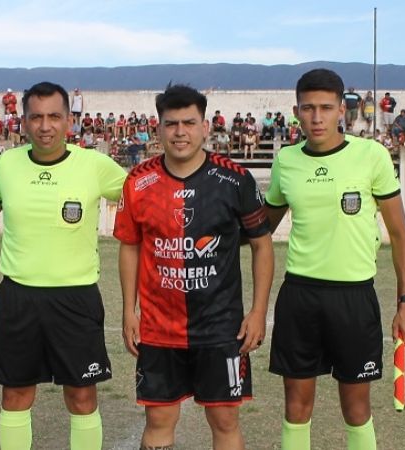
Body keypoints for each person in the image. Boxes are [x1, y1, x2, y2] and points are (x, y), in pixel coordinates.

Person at [264, 68, 405, 450]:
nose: (317, 117)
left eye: (326, 108)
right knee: (296, 407)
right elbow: (260, 228)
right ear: (296, 112)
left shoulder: (371, 155)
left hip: (354, 297)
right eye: (308, 108)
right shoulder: (287, 161)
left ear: (341, 111)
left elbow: (400, 234)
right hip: (300, 296)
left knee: (356, 408)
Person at [114, 84, 273, 450]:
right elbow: (129, 247)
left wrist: (258, 311)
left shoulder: (235, 179)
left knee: (225, 420)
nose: (180, 132)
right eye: (171, 124)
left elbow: (262, 246)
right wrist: (128, 310)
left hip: (221, 327)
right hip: (158, 327)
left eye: (189, 123)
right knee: (159, 419)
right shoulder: (138, 181)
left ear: (205, 127)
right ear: (158, 129)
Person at [0, 81, 126, 450]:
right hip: (18, 296)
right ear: (23, 122)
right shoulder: (6, 165)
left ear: (69, 121)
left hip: (76, 297)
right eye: (36, 117)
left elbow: (141, 195)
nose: (45, 126)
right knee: (15, 395)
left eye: (54, 117)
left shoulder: (94, 165)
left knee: (82, 397)